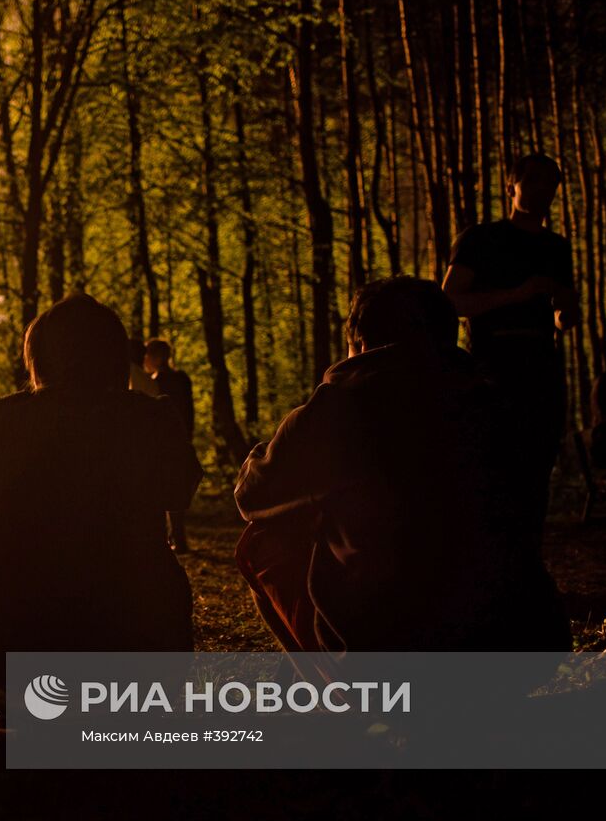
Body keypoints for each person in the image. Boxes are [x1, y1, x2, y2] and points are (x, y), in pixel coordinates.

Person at [234, 277, 569, 654]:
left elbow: (253, 496)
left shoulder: (339, 407)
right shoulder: (493, 404)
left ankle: (348, 689)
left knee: (262, 540)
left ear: (358, 344)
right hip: (527, 646)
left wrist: (264, 452)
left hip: (399, 662)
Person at [0, 294, 203, 711]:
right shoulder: (150, 418)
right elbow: (179, 492)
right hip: (139, 654)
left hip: (10, 660)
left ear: (36, 358)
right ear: (114, 357)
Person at [441, 153, 580, 544]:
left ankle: (528, 558)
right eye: (532, 180)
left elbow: (560, 317)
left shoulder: (557, 247)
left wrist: (565, 311)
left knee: (539, 462)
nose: (541, 189)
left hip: (543, 365)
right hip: (494, 365)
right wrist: (518, 294)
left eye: (549, 182)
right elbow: (449, 302)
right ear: (511, 186)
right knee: (495, 463)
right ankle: (491, 558)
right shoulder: (481, 239)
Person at [144, 338, 195, 553]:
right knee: (175, 486)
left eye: (148, 355)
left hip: (161, 440)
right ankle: (178, 538)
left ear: (156, 357)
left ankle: (172, 539)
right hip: (180, 437)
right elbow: (189, 411)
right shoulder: (182, 379)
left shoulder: (155, 381)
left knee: (159, 486)